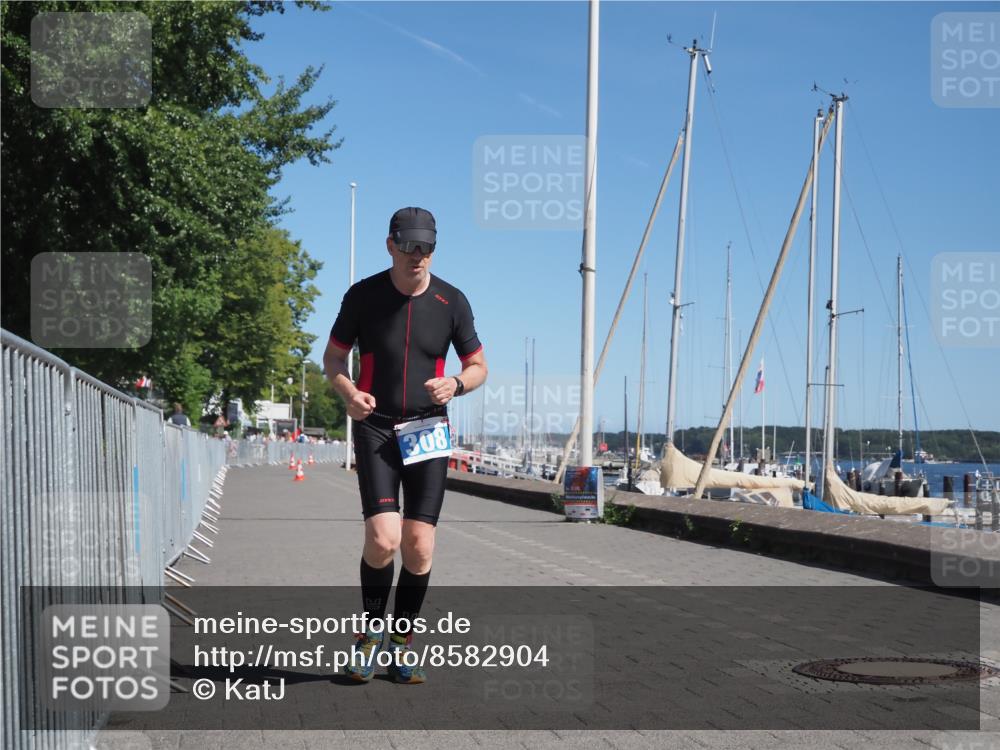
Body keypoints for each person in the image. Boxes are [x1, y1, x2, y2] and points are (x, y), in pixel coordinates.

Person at [323, 206, 487, 684]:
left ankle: (402, 639)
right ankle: (370, 634)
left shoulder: (451, 301)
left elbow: (479, 366)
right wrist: (349, 393)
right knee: (383, 539)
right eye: (410, 245)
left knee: (418, 546)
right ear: (391, 243)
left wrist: (456, 384)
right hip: (375, 426)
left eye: (427, 247)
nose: (418, 255)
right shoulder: (363, 296)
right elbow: (334, 357)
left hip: (428, 428)